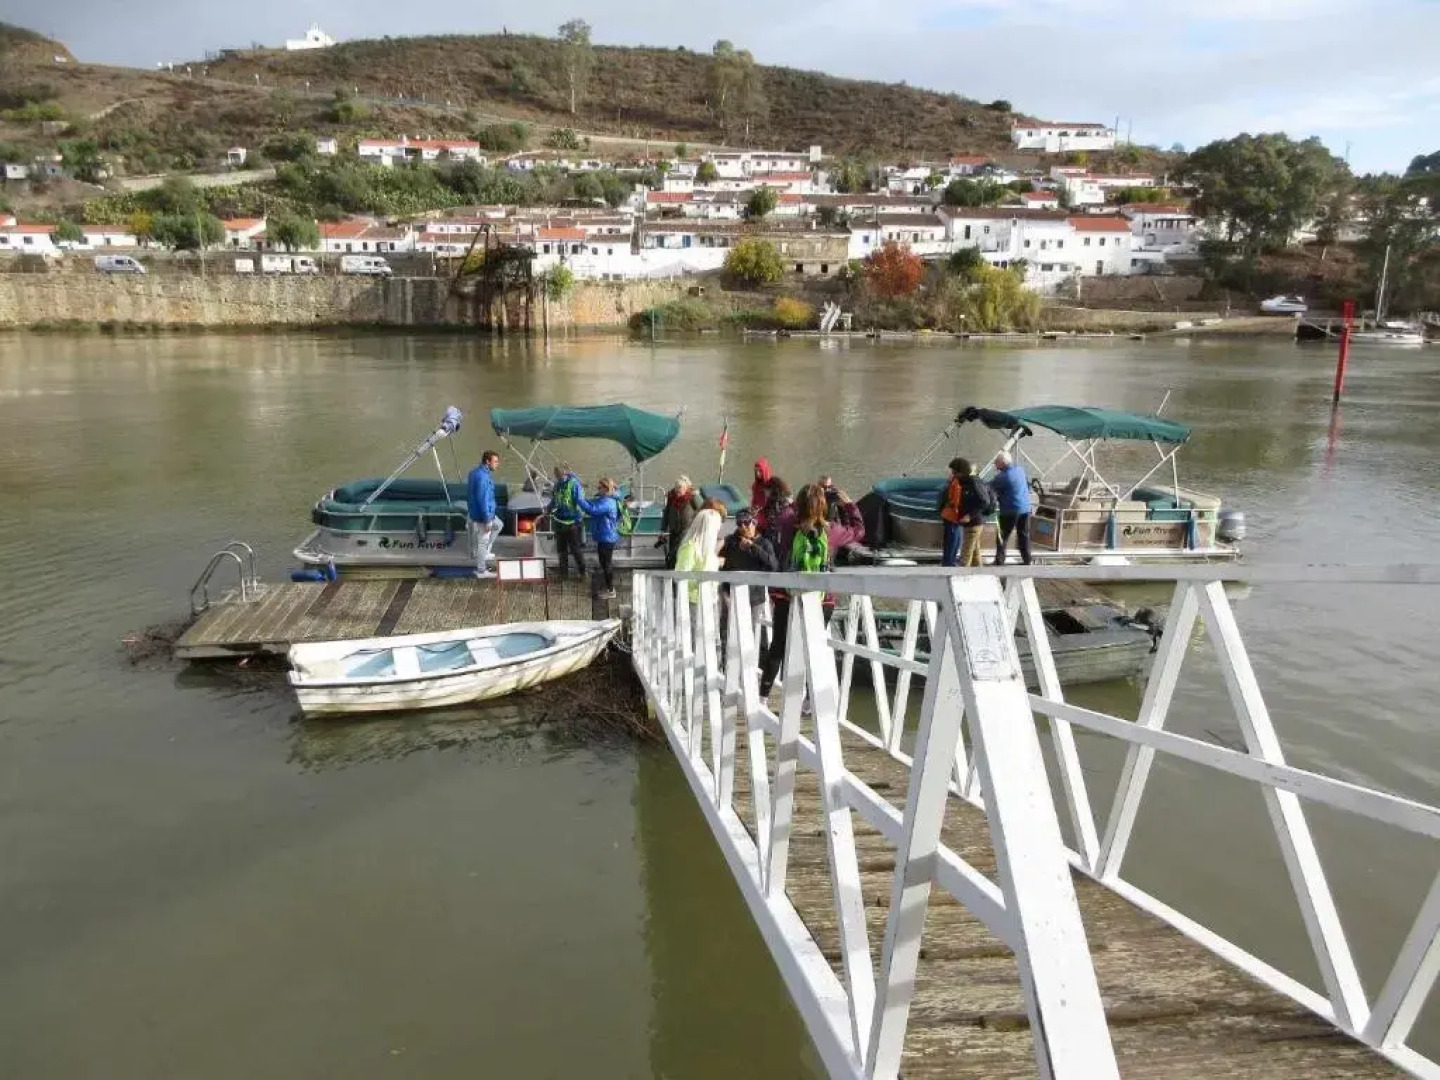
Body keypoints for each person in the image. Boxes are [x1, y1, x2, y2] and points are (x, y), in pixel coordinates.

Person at [758, 484, 866, 700]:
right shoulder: (832, 530)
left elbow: (776, 520)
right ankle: (809, 702)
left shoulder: (787, 522)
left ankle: (763, 697)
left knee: (778, 645)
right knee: (813, 649)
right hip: (821, 598)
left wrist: (796, 503)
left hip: (786, 594)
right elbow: (859, 531)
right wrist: (848, 505)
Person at [577, 477, 621, 598]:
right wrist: (584, 499)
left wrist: (579, 500)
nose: (598, 489)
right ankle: (609, 587)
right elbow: (593, 502)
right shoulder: (606, 498)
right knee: (605, 563)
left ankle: (611, 591)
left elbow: (592, 510)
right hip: (605, 537)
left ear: (605, 489)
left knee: (606, 564)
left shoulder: (607, 502)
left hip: (607, 538)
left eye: (599, 487)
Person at [672, 507, 724, 603]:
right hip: (693, 601)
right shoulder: (690, 548)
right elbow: (680, 575)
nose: (718, 531)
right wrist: (702, 580)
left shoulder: (707, 548)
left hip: (710, 599)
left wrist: (716, 562)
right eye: (716, 528)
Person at [991, 450, 1033, 565]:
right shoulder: (1020, 470)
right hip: (1025, 509)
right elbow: (1028, 485)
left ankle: (999, 561)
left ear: (1002, 463)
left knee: (1002, 536)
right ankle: (1027, 560)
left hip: (1010, 510)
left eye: (996, 462)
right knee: (1023, 535)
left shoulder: (1002, 477)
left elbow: (989, 489)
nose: (995, 464)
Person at [466, 450, 502, 579]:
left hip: (481, 511)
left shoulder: (475, 473)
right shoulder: (482, 477)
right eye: (495, 461)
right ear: (487, 462)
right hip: (483, 514)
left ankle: (485, 552)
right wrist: (487, 519)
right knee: (483, 541)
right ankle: (481, 571)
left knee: (498, 525)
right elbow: (482, 498)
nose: (497, 464)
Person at [548, 462, 587, 581]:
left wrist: (579, 517)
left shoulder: (574, 485)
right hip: (559, 522)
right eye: (555, 474)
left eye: (558, 474)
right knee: (561, 550)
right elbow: (554, 500)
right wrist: (548, 509)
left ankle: (582, 572)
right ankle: (563, 574)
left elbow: (580, 503)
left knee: (576, 550)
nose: (557, 476)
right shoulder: (557, 485)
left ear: (565, 472)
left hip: (573, 524)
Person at [660, 476, 703, 570]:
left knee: (678, 551)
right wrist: (663, 529)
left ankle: (676, 571)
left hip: (687, 530)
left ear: (685, 489)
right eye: (676, 490)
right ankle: (672, 571)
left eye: (680, 491)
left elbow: (702, 511)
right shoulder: (671, 498)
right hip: (673, 530)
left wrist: (699, 529)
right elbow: (666, 513)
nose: (677, 493)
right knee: (673, 551)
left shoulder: (692, 498)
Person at [939, 457, 968, 568]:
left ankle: (948, 561)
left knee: (952, 540)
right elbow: (956, 500)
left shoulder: (953, 481)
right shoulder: (957, 483)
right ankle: (949, 563)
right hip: (953, 516)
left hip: (950, 515)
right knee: (953, 541)